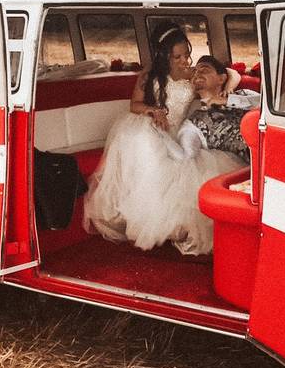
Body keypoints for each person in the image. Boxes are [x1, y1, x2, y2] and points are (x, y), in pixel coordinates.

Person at [82, 22, 242, 255]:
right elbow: (133, 105)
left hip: (178, 131)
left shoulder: (192, 75)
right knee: (147, 147)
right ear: (164, 56)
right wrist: (151, 110)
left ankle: (176, 226)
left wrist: (227, 88)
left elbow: (233, 74)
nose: (184, 61)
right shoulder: (150, 76)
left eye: (186, 54)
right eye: (177, 57)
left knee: (195, 165)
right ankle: (152, 220)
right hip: (151, 128)